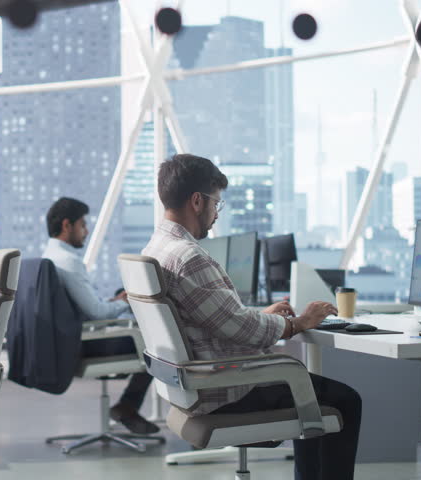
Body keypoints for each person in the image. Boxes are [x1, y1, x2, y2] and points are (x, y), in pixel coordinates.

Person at [142, 154, 362, 480]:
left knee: (305, 388)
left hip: (192, 388)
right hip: (227, 391)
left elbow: (215, 319)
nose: (217, 213)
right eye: (217, 203)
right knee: (344, 400)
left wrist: (259, 316)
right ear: (197, 201)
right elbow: (241, 330)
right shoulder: (188, 257)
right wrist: (297, 323)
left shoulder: (157, 248)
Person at [43, 197, 158, 435]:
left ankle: (127, 406)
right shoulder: (69, 262)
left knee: (129, 313)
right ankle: (127, 406)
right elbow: (96, 313)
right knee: (155, 343)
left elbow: (88, 307)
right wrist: (125, 302)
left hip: (74, 339)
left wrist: (115, 302)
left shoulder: (51, 255)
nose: (86, 232)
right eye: (83, 225)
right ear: (67, 225)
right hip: (85, 343)